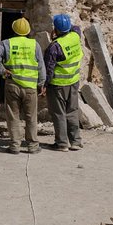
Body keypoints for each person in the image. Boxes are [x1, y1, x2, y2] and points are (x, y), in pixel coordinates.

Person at [0, 17, 44, 154]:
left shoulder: (6, 43)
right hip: (30, 87)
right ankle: (32, 146)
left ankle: (14, 145)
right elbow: (41, 66)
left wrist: (1, 70)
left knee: (13, 116)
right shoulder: (34, 45)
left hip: (12, 85)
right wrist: (42, 83)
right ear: (27, 31)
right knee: (31, 117)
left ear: (14, 29)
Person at [42, 13, 85, 151]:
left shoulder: (54, 47)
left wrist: (44, 84)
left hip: (58, 85)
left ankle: (61, 143)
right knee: (72, 111)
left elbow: (49, 69)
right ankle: (76, 141)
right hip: (73, 81)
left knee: (59, 113)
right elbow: (76, 27)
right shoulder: (75, 36)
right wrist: (64, 26)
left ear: (56, 29)